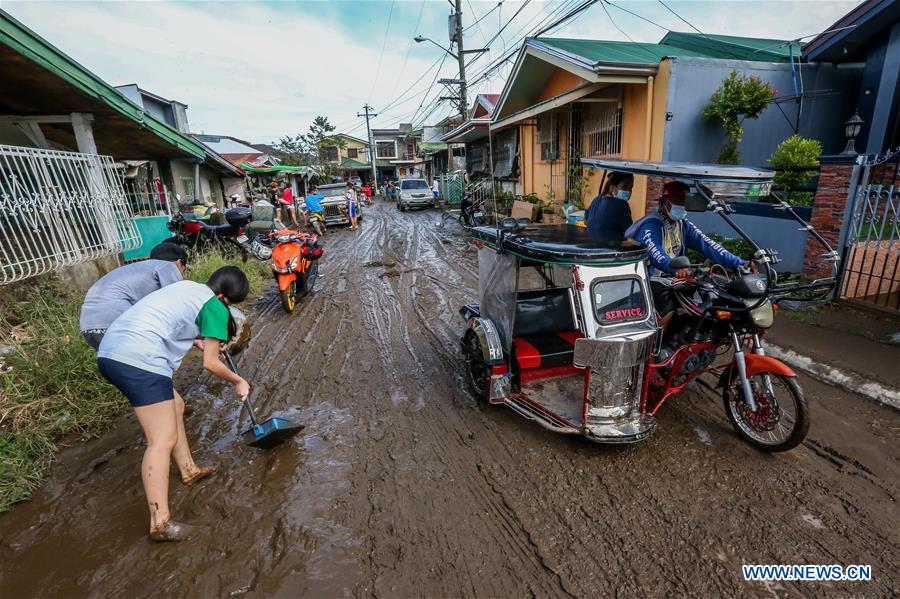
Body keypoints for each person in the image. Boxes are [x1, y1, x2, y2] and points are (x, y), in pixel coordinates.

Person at [96, 266, 251, 542]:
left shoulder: (188, 288)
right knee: (161, 439)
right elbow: (211, 364)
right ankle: (161, 523)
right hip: (139, 358)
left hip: (112, 351)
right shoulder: (215, 306)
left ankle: (189, 469)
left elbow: (168, 320)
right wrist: (238, 381)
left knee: (175, 404)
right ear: (225, 297)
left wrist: (197, 340)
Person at [625, 181, 751, 331]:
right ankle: (652, 351)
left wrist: (739, 263)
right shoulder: (651, 224)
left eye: (684, 202)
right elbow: (654, 251)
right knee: (667, 313)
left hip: (677, 279)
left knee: (707, 303)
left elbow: (708, 245)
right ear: (666, 201)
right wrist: (672, 266)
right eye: (678, 201)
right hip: (652, 279)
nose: (682, 206)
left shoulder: (683, 225)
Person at [79, 242, 188, 350]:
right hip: (116, 323)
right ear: (178, 263)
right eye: (183, 270)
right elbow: (177, 303)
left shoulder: (136, 269)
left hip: (88, 328)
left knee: (126, 363)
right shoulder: (168, 266)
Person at [583, 171, 634, 238]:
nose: (628, 191)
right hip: (610, 247)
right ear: (612, 188)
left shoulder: (596, 199)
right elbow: (630, 231)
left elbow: (585, 221)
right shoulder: (622, 205)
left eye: (630, 188)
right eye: (624, 187)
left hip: (592, 244)